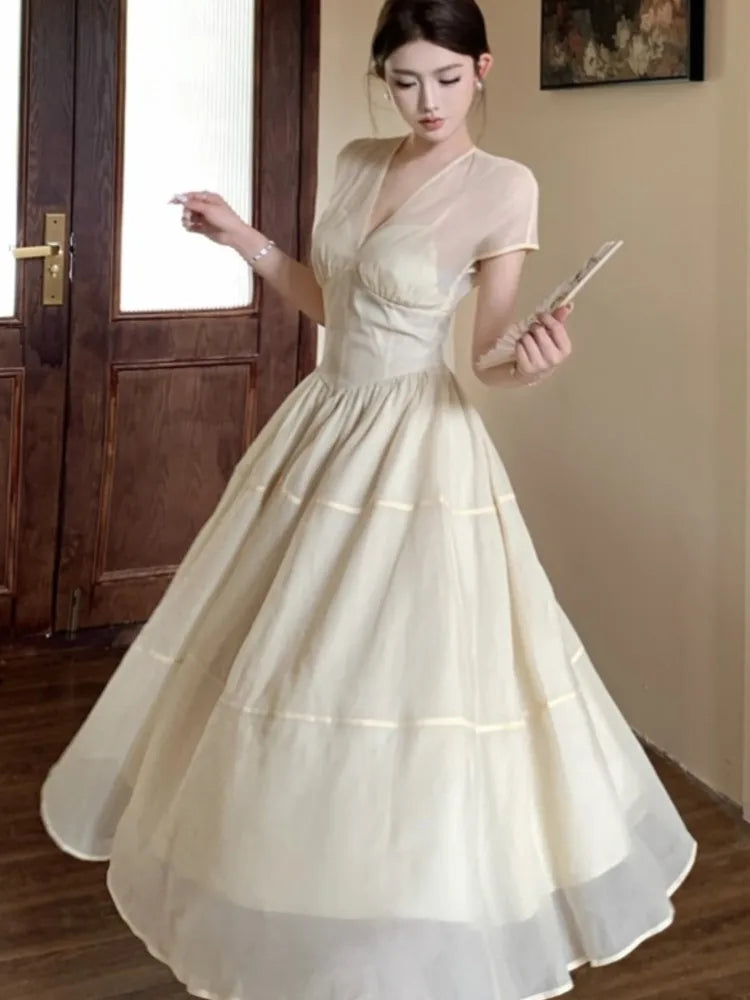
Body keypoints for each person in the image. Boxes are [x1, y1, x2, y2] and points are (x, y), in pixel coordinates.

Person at [41, 1, 696, 998]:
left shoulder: (503, 186)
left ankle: (407, 906)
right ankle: (280, 875)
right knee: (288, 655)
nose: (427, 101)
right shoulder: (354, 161)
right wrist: (243, 238)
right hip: (322, 425)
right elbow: (330, 301)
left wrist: (533, 362)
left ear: (483, 70)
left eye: (447, 78)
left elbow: (488, 354)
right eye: (405, 80)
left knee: (403, 674)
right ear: (382, 77)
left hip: (417, 449)